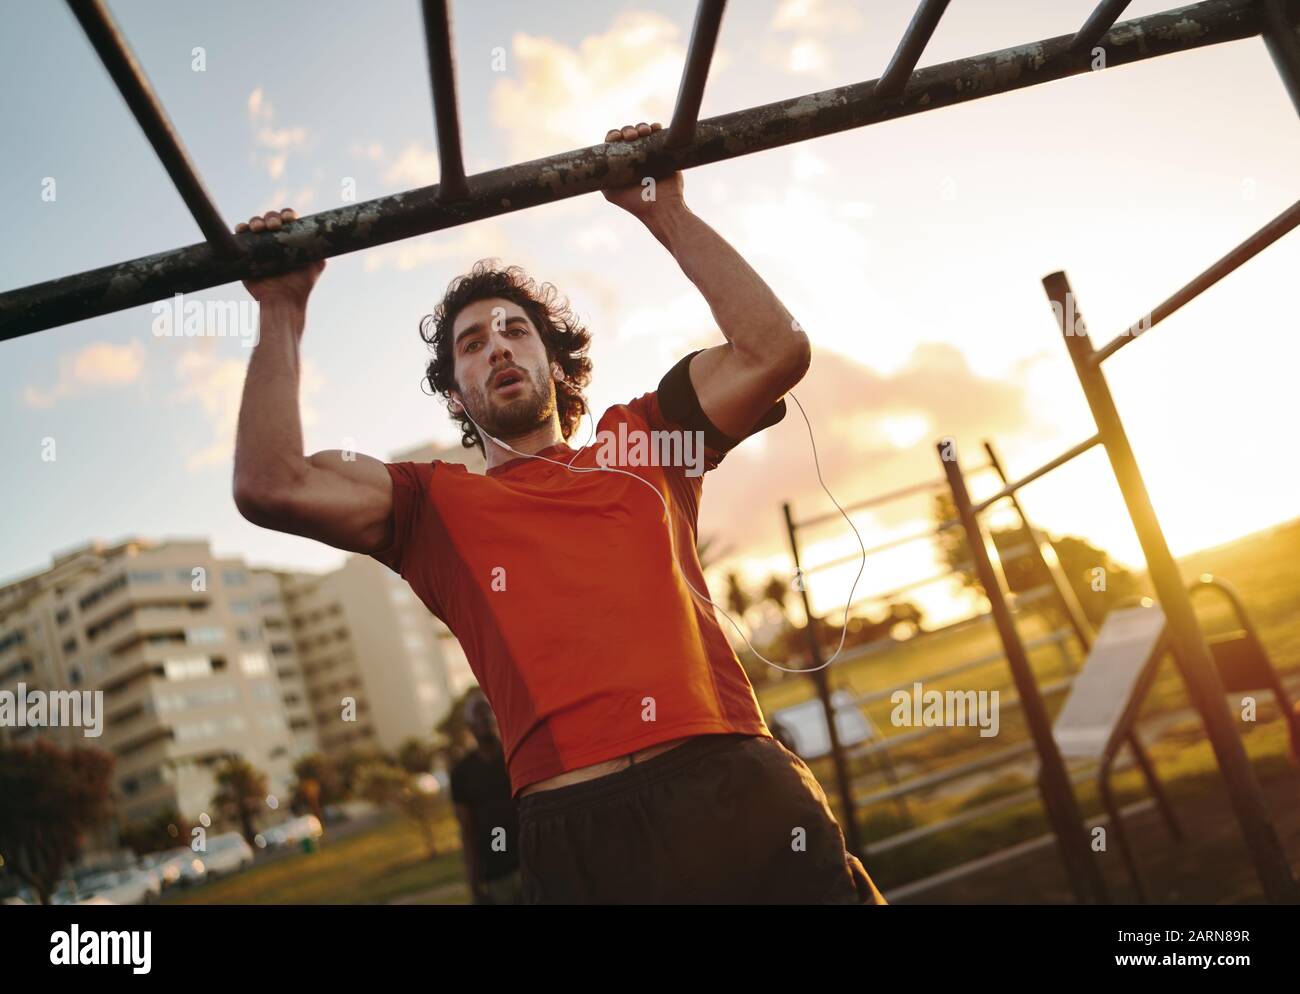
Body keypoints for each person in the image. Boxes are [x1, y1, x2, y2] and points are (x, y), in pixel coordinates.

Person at [232, 120, 885, 904]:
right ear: (456, 391)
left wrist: (663, 209)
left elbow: (774, 350)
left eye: (516, 330)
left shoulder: (641, 441)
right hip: (577, 835)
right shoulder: (430, 504)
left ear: (552, 357)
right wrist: (281, 308)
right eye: (473, 343)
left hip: (731, 789)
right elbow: (271, 483)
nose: (498, 347)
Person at [450, 690, 523, 904]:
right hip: (495, 874)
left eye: (488, 711)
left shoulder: (515, 757)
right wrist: (473, 882)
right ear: (470, 726)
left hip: (531, 864)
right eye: (479, 714)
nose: (486, 718)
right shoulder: (461, 773)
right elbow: (466, 829)